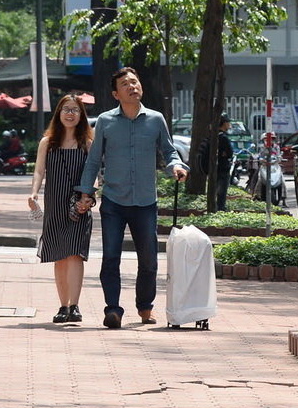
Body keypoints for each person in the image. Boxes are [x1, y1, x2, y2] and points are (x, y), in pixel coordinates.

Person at [75, 67, 189, 330]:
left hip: (146, 202)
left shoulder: (155, 119)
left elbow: (169, 151)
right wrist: (86, 192)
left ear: (141, 87)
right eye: (125, 84)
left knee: (148, 259)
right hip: (114, 201)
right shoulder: (105, 121)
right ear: (116, 93)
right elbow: (94, 160)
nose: (132, 86)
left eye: (135, 82)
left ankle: (145, 306)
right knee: (111, 257)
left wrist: (177, 167)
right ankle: (113, 310)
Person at [28, 94, 95, 324]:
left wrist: (87, 197)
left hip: (79, 204)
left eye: (75, 110)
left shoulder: (87, 143)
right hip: (55, 204)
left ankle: (74, 306)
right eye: (66, 109)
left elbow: (95, 173)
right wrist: (34, 192)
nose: (70, 113)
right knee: (59, 255)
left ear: (81, 115)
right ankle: (62, 305)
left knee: (75, 253)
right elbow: (39, 171)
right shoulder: (47, 143)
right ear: (58, 113)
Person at [197, 113, 235, 211]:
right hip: (222, 168)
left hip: (213, 169)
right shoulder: (223, 138)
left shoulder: (212, 135)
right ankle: (220, 209)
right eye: (228, 122)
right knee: (221, 193)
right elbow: (230, 153)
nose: (229, 124)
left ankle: (214, 208)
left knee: (215, 190)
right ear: (224, 123)